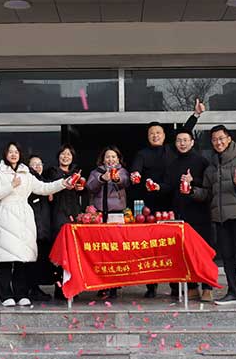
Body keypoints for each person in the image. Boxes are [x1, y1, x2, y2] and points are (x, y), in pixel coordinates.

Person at [130, 99, 205, 298]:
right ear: (148, 137)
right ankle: (151, 285)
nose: (155, 135)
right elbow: (135, 171)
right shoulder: (142, 154)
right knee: (150, 247)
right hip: (150, 207)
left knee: (172, 246)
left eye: (158, 133)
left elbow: (185, 134)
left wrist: (196, 115)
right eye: (151, 133)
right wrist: (135, 175)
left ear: (164, 136)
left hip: (172, 204)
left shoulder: (171, 149)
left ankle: (174, 285)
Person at [0, 142, 73, 307]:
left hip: (24, 217)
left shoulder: (26, 173)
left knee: (23, 258)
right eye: (10, 152)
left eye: (16, 152)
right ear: (5, 154)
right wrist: (11, 185)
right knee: (5, 258)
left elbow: (44, 188)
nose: (13, 154)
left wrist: (63, 183)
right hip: (6, 215)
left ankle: (21, 293)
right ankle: (6, 295)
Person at [194, 125, 236, 308]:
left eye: (221, 138)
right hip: (220, 216)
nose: (218, 142)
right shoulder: (211, 166)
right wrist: (191, 191)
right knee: (227, 256)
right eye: (215, 139)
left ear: (229, 139)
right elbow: (207, 193)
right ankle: (232, 293)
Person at [164, 128, 213, 302]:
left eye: (185, 140)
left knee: (203, 252)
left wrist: (194, 181)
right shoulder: (172, 163)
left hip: (201, 213)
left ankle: (207, 287)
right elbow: (169, 187)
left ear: (192, 142)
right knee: (186, 252)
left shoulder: (202, 161)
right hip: (181, 214)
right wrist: (156, 187)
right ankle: (192, 287)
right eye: (179, 140)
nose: (182, 143)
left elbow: (209, 185)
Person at [85, 145, 130, 300]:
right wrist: (101, 179)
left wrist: (116, 178)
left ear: (118, 159)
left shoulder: (122, 171)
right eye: (108, 157)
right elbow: (89, 187)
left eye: (113, 157)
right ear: (103, 159)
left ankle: (115, 285)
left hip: (116, 214)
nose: (111, 159)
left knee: (115, 250)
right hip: (99, 214)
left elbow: (125, 182)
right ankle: (102, 284)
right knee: (101, 250)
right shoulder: (96, 172)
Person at [44, 144, 85, 301]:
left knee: (74, 252)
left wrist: (81, 188)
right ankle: (59, 287)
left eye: (69, 154)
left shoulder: (77, 173)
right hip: (57, 214)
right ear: (58, 156)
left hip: (73, 214)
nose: (65, 156)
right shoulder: (52, 172)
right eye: (63, 154)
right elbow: (46, 188)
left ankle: (74, 285)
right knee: (60, 252)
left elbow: (84, 192)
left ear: (72, 157)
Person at [26, 154, 54, 302]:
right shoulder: (29, 183)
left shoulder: (44, 182)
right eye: (34, 164)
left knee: (40, 260)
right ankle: (31, 289)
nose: (37, 167)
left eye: (40, 164)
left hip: (43, 228)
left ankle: (34, 288)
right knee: (33, 261)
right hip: (34, 229)